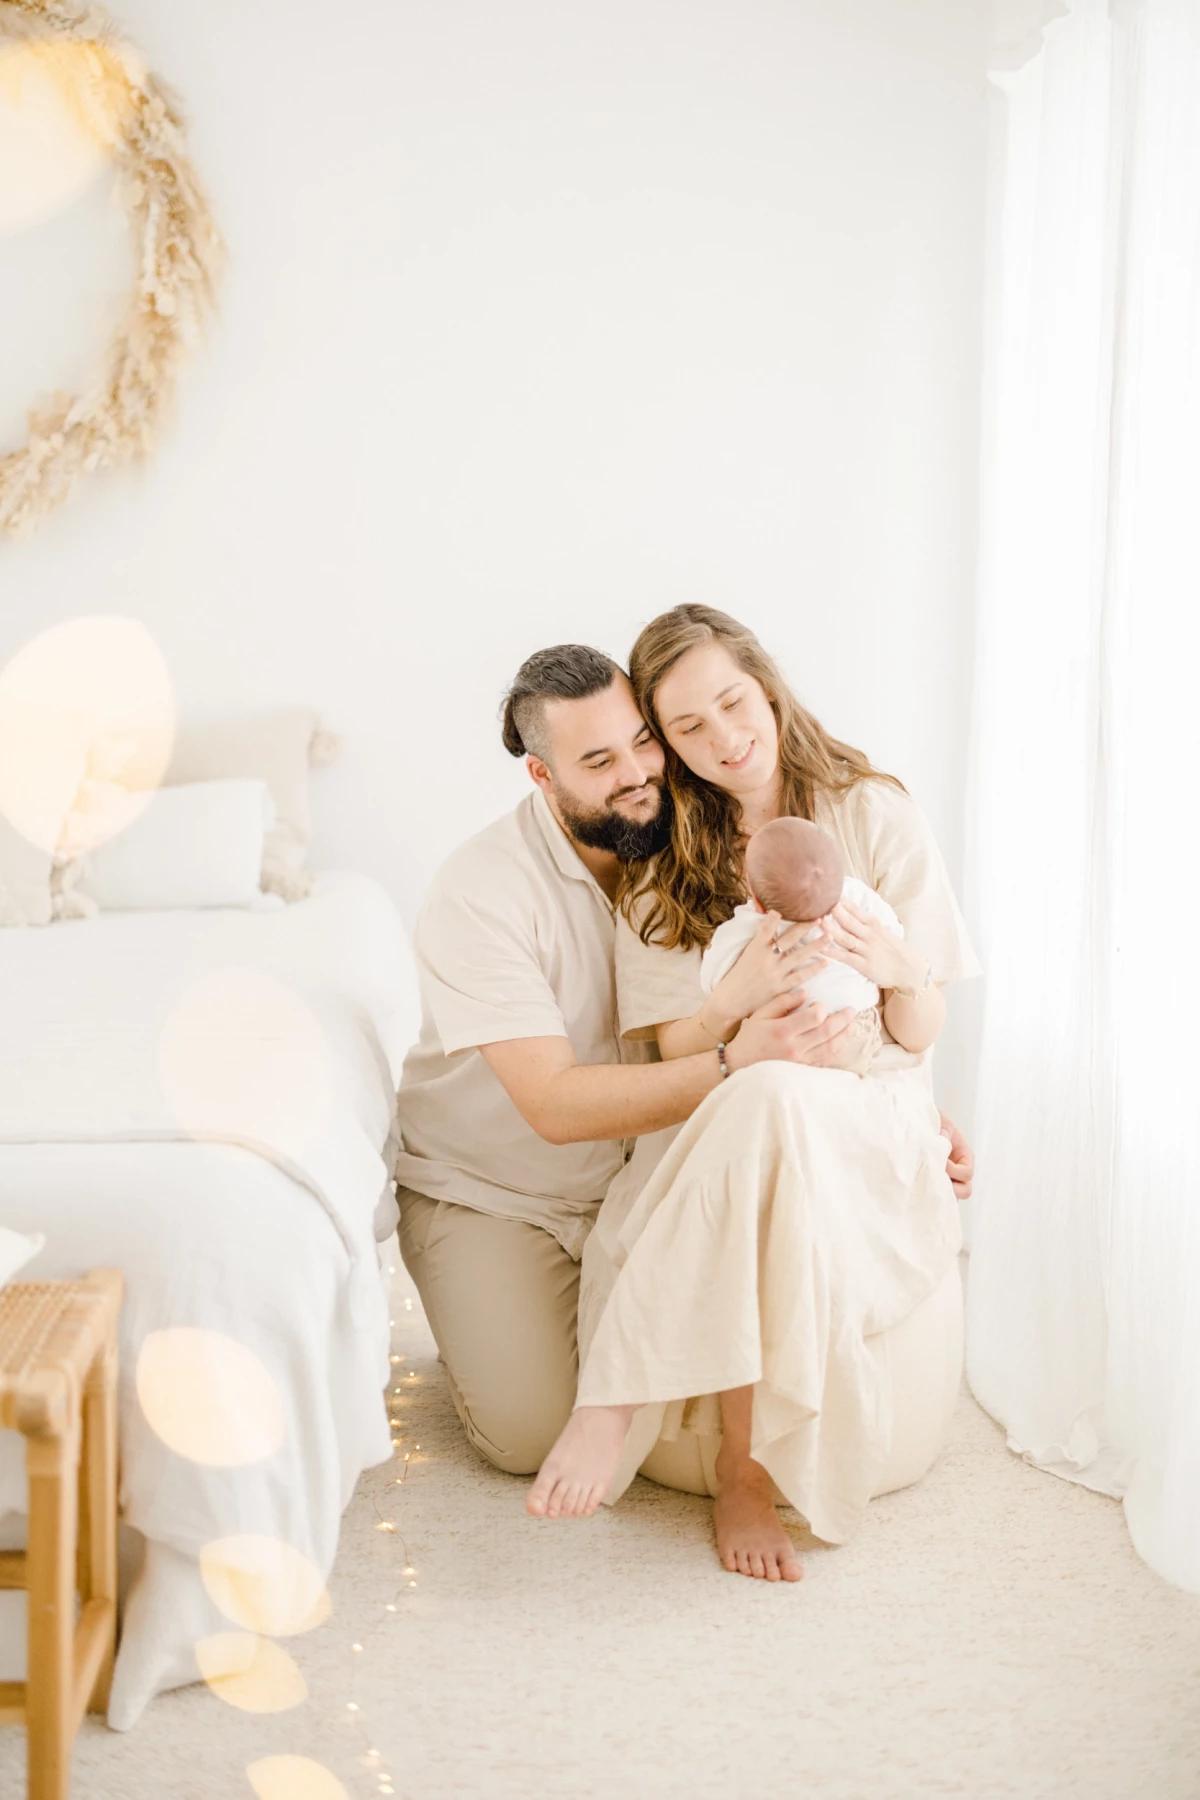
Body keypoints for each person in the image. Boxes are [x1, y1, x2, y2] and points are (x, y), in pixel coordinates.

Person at [393, 637, 975, 1497]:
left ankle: (711, 1443)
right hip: (507, 1187)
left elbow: (871, 1005)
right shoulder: (483, 892)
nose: (637, 773)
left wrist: (901, 1106)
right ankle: (493, 1319)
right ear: (543, 777)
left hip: (652, 1156)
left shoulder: (699, 841)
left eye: (643, 742)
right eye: (599, 761)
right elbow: (555, 1105)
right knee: (528, 1435)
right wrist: (740, 1060)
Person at [526, 605, 981, 1586]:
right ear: (666, 742)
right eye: (689, 727)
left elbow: (917, 1031)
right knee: (767, 1093)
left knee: (774, 1095)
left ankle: (646, 1418)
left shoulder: (874, 812)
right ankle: (742, 1469)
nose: (725, 738)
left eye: (733, 703)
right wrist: (736, 1005)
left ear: (767, 687)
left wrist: (895, 964)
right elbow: (668, 1046)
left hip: (868, 1098)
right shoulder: (663, 854)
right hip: (735, 1101)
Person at [700, 815, 906, 1077]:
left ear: (758, 901)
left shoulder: (750, 923)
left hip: (786, 1036)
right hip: (855, 1029)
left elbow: (713, 977)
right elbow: (891, 933)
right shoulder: (856, 897)